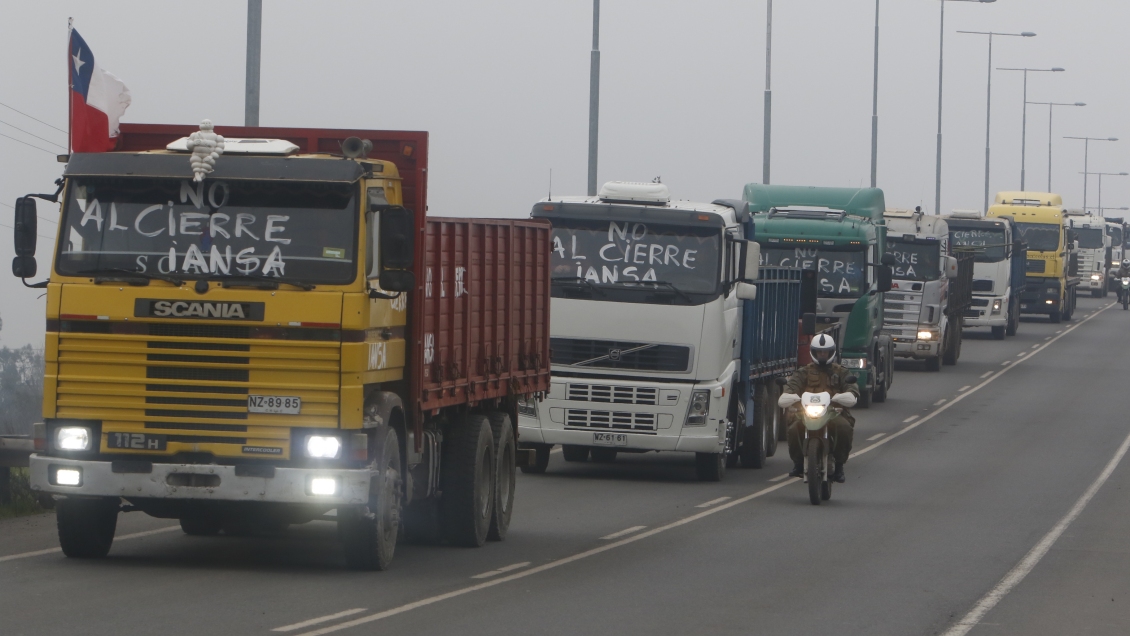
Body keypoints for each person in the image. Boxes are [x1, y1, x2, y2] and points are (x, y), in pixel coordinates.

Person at [778, 334, 859, 483]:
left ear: (831, 352)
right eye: (819, 352)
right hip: (807, 413)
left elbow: (852, 389)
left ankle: (839, 465)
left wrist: (848, 395)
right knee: (793, 428)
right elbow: (791, 387)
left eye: (825, 352)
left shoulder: (841, 372)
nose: (822, 355)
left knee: (844, 428)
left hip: (834, 413)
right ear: (813, 352)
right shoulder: (803, 372)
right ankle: (798, 463)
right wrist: (789, 395)